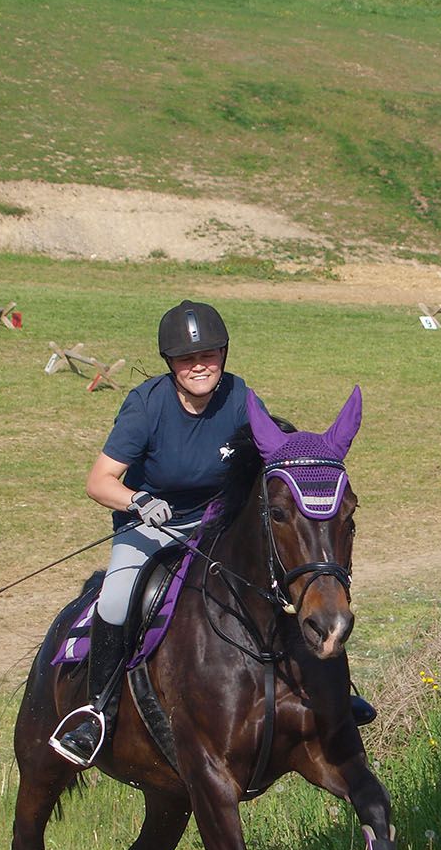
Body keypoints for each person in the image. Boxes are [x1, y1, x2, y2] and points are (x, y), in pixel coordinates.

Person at [56, 300, 375, 764]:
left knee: (287, 581)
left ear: (223, 355)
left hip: (214, 525)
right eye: (187, 359)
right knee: (118, 595)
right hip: (151, 526)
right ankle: (95, 711)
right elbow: (99, 481)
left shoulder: (239, 397)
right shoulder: (146, 406)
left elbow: (275, 451)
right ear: (171, 364)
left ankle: (335, 692)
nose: (199, 365)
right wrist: (139, 500)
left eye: (209, 355)